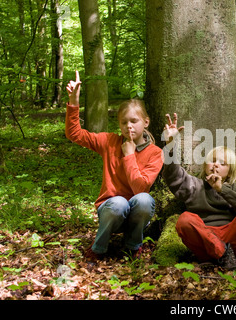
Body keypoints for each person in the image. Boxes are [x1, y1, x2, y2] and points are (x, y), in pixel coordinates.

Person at [65, 71, 163, 261]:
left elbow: (140, 188)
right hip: (111, 211)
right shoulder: (109, 141)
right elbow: (75, 134)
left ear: (146, 122)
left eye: (134, 121)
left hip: (135, 216)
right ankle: (98, 249)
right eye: (123, 122)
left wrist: (129, 156)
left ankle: (132, 246)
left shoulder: (155, 153)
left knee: (144, 200)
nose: (129, 126)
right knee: (118, 202)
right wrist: (74, 101)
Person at [162, 113, 236, 275]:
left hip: (234, 241)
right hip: (207, 241)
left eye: (222, 163)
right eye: (212, 160)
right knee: (184, 219)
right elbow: (173, 175)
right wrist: (171, 145)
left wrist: (221, 189)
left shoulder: (232, 190)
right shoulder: (194, 185)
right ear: (205, 165)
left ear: (230, 170)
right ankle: (222, 254)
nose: (215, 165)